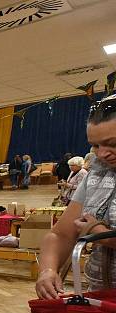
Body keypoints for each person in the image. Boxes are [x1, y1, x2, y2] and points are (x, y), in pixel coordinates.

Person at [36, 94, 116, 299]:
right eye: (96, 145)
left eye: (112, 143)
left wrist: (102, 234)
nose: (102, 154)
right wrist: (48, 270)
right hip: (102, 300)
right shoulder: (96, 176)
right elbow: (61, 234)